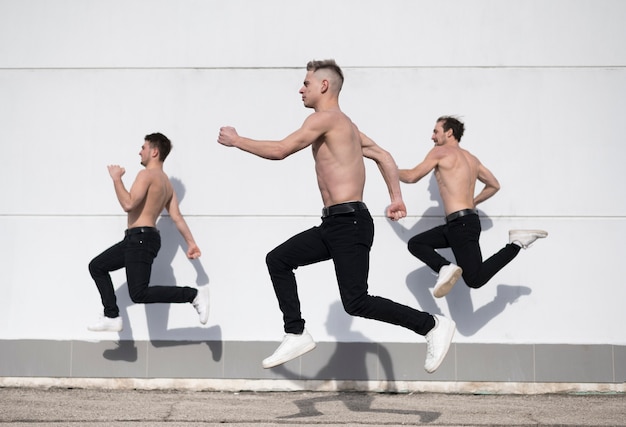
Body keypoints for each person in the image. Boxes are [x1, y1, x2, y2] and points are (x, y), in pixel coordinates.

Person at [217, 59, 455, 373]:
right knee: (278, 259)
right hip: (335, 224)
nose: (300, 89)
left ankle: (431, 325)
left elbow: (281, 150)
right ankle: (296, 332)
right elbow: (383, 155)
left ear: (324, 85)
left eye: (306, 83)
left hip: (349, 223)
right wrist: (396, 197)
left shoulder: (325, 119)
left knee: (357, 301)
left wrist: (237, 141)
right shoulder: (347, 126)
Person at [399, 116, 548, 298]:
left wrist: (387, 167)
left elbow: (411, 176)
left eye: (436, 131)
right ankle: (445, 267)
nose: (432, 137)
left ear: (449, 132)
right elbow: (494, 184)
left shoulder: (440, 152)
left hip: (460, 225)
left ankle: (515, 244)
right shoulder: (472, 159)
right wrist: (472, 202)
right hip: (463, 223)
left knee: (474, 279)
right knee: (417, 243)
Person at [87, 132, 209, 332]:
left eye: (143, 148)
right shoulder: (166, 184)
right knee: (97, 266)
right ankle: (111, 315)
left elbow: (128, 204)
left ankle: (193, 295)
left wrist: (116, 179)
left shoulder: (146, 175)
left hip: (140, 239)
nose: (139, 152)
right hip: (139, 239)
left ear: (154, 152)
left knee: (138, 293)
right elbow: (176, 217)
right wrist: (191, 243)